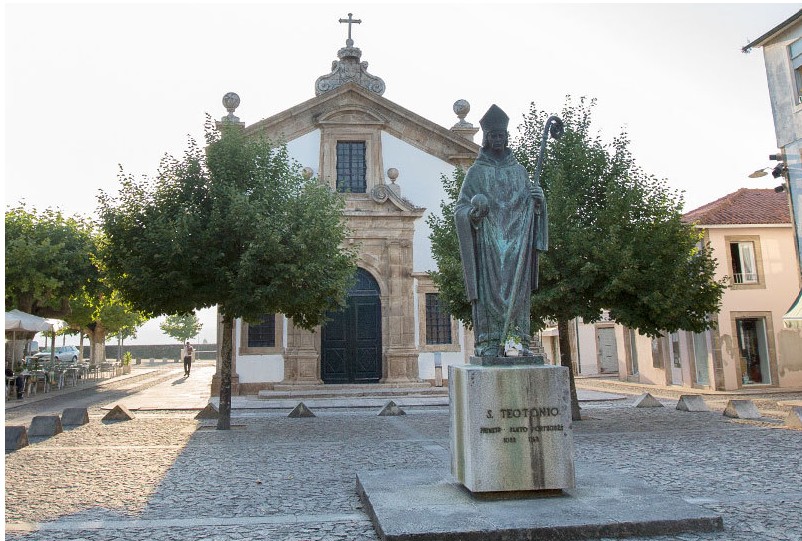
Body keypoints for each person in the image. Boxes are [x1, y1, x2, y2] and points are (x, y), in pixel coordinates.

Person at [454, 104, 548, 358]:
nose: (498, 139)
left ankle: (517, 343)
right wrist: (473, 214)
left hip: (517, 242)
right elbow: (461, 208)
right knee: (490, 291)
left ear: (507, 138)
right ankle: (489, 343)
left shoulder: (519, 172)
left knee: (517, 292)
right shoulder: (476, 172)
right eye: (493, 135)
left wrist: (538, 201)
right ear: (486, 138)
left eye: (501, 135)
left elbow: (529, 206)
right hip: (488, 244)